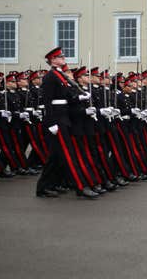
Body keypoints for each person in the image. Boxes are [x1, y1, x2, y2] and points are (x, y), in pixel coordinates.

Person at [35, 47, 99, 198]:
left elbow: (67, 96)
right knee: (69, 155)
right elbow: (47, 101)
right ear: (52, 60)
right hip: (57, 119)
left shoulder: (60, 75)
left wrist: (79, 98)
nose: (63, 58)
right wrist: (51, 123)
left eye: (62, 56)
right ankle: (80, 187)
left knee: (55, 156)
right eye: (60, 56)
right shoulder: (51, 76)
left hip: (64, 118)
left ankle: (43, 187)